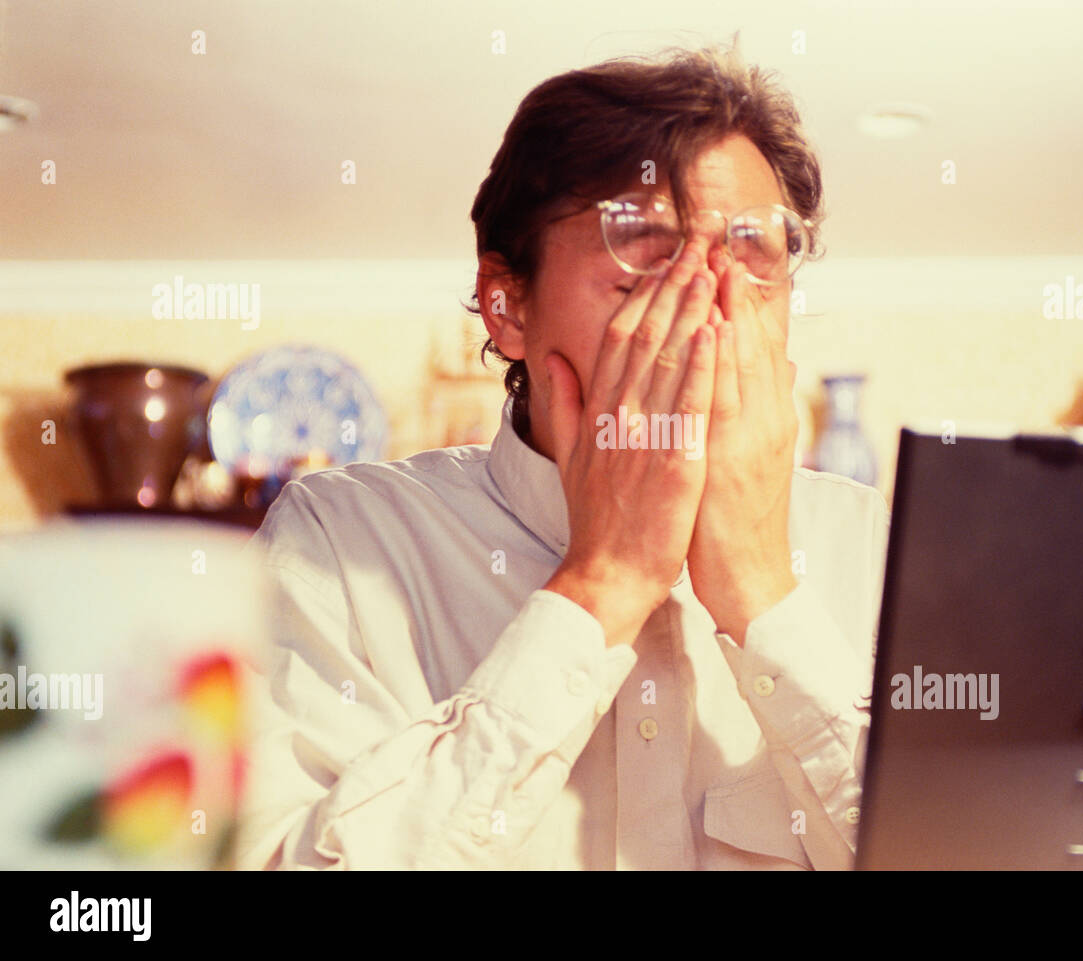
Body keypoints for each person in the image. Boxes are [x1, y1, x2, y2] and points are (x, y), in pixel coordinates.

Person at [234, 39, 889, 871]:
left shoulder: (876, 547)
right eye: (642, 247)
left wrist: (765, 594)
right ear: (506, 306)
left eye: (753, 253)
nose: (709, 302)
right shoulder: (337, 543)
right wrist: (602, 583)